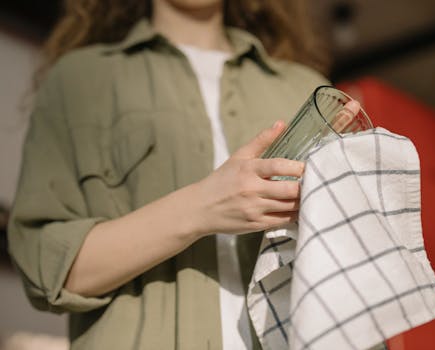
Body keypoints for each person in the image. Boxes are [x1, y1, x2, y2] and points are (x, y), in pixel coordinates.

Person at [7, 0, 347, 349]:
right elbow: (47, 271)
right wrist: (205, 206)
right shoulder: (78, 79)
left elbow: (348, 259)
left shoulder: (305, 89)